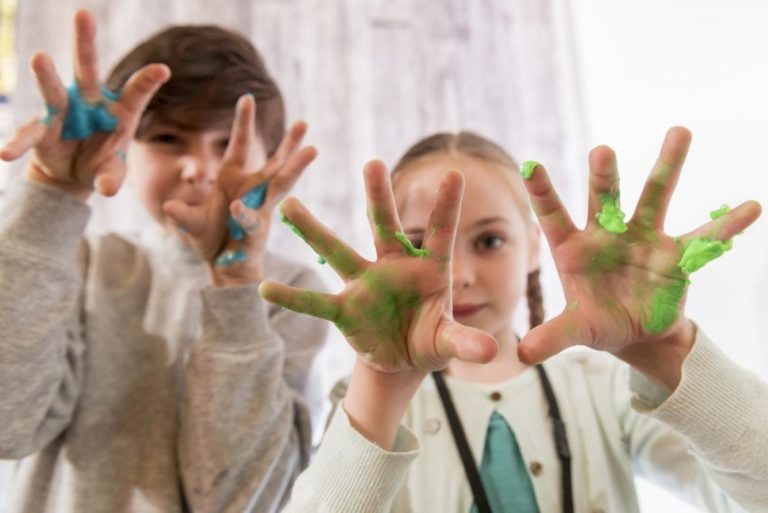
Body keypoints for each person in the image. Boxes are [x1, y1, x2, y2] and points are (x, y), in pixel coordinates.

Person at [260, 127, 767, 512]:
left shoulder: (603, 388)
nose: (456, 276)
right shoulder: (372, 405)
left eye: (489, 241)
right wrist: (381, 383)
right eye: (420, 246)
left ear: (532, 245)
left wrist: (664, 349)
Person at [0, 10, 326, 513]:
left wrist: (237, 285)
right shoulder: (84, 262)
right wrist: (51, 195)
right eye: (170, 138)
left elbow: (239, 499)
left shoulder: (291, 291)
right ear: (124, 149)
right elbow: (7, 422)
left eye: (227, 144)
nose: (198, 167)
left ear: (272, 159)